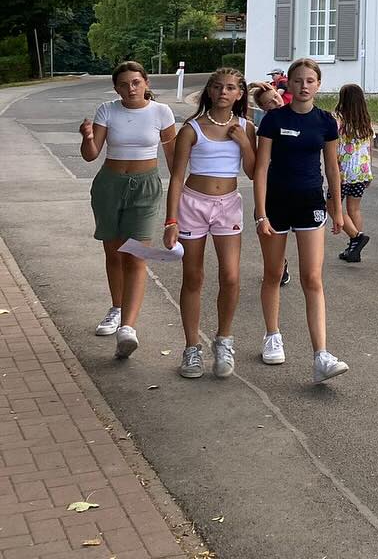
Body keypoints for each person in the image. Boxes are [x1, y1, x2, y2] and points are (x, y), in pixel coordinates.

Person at [253, 58, 351, 382]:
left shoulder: (326, 122)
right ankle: (272, 335)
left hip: (310, 202)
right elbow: (261, 168)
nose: (304, 86)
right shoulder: (273, 119)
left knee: (312, 278)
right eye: (298, 80)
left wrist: (337, 209)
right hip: (275, 203)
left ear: (318, 85)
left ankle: (321, 355)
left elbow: (333, 168)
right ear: (289, 85)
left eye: (310, 80)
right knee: (273, 273)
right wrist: (260, 211)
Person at [79, 62, 178, 359]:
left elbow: (174, 160)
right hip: (109, 185)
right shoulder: (107, 110)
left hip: (145, 187)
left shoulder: (161, 112)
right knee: (114, 254)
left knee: (135, 255)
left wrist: (181, 198)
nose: (130, 88)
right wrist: (87, 137)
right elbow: (91, 155)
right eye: (123, 84)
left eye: (136, 82)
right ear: (116, 88)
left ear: (146, 83)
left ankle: (128, 328)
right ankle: (117, 308)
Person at [162, 67, 255, 378]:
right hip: (193, 205)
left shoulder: (245, 127)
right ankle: (191, 348)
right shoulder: (192, 128)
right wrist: (171, 220)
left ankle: (224, 340)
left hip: (228, 206)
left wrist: (245, 143)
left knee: (231, 275)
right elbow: (176, 177)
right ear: (209, 91)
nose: (223, 92)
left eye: (230, 87)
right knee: (193, 276)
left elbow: (254, 171)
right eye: (217, 86)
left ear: (239, 94)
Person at [249, 82, 291, 286]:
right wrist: (249, 86)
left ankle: (279, 264)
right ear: (263, 108)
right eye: (269, 102)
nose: (276, 101)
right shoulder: (268, 124)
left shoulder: (296, 113)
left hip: (299, 185)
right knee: (266, 224)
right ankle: (278, 265)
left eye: (275, 96)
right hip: (273, 184)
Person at [334, 84, 375, 263]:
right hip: (361, 170)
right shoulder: (366, 121)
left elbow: (334, 146)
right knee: (354, 209)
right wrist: (369, 170)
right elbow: (370, 148)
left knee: (332, 205)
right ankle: (354, 248)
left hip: (343, 171)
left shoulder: (339, 120)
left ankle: (356, 237)